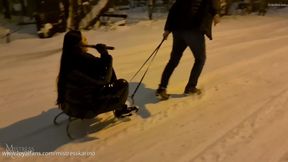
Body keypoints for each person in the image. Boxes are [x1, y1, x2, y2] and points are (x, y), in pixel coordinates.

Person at [56, 30, 137, 119]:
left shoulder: (68, 59)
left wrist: (104, 58)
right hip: (86, 109)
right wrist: (104, 54)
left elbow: (102, 67)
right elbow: (104, 79)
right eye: (83, 38)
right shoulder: (84, 60)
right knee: (123, 84)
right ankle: (120, 110)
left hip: (70, 107)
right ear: (79, 44)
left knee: (108, 67)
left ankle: (118, 104)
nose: (86, 39)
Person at [156, 0, 220, 100]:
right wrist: (215, 14)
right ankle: (190, 87)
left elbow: (173, 10)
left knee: (173, 60)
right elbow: (211, 4)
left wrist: (167, 30)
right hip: (193, 31)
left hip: (178, 31)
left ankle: (162, 88)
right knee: (200, 59)